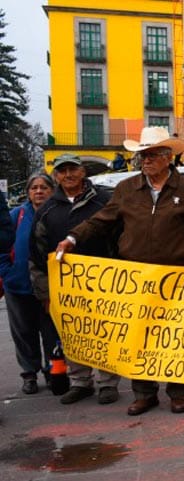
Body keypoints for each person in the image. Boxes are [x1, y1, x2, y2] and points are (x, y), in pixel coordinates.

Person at [54, 127, 184, 416]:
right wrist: (73, 238)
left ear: (167, 157)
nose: (144, 161)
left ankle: (178, 393)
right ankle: (144, 394)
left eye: (150, 155)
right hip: (135, 278)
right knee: (139, 336)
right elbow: (101, 220)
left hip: (174, 276)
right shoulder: (126, 189)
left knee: (175, 336)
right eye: (142, 156)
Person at [29, 154, 120, 405]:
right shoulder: (47, 209)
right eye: (62, 171)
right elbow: (36, 254)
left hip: (105, 281)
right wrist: (44, 293)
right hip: (65, 287)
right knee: (73, 334)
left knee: (105, 332)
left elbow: (122, 234)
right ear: (56, 175)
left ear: (83, 171)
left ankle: (108, 382)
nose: (67, 175)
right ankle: (81, 382)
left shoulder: (104, 199)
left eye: (72, 169)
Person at [0, 173, 56, 395]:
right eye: (34, 188)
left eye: (44, 187)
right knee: (23, 333)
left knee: (51, 332)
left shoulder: (56, 214)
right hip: (18, 286)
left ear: (52, 190)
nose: (39, 191)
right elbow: (2, 245)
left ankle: (53, 371)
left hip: (50, 288)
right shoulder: (17, 215)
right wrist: (7, 273)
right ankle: (29, 374)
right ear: (28, 192)